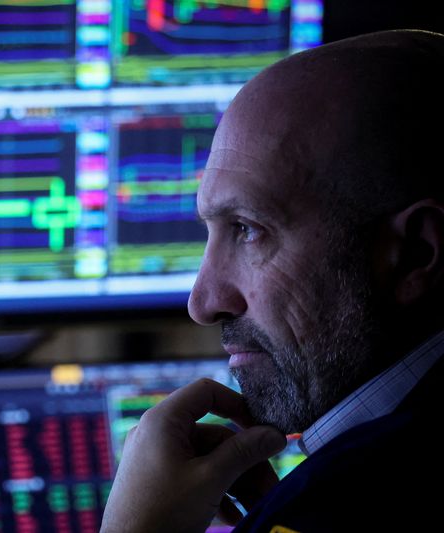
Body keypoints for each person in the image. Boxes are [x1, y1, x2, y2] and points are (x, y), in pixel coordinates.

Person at [100, 29, 444, 532]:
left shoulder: (337, 506)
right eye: (211, 232)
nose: (203, 301)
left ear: (416, 252)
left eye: (248, 230)